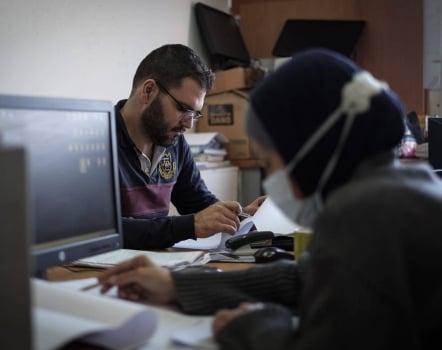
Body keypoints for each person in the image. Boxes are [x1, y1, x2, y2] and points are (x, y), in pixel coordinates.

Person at [98, 48, 442, 349]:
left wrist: (249, 325)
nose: (273, 178)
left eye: (269, 163)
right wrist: (177, 284)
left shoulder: (363, 213)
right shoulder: (405, 188)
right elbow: (305, 278)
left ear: (308, 150)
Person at [116, 44, 264, 249]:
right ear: (148, 91)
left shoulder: (173, 143)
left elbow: (198, 203)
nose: (188, 124)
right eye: (183, 109)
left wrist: (242, 215)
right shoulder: (97, 143)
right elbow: (103, 231)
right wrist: (188, 226)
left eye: (194, 114)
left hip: (152, 268)